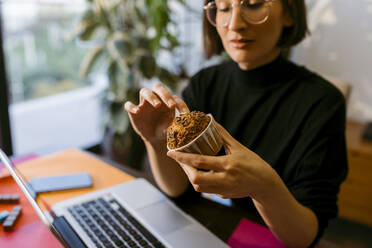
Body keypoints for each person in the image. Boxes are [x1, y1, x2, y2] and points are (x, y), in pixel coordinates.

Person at [124, 0, 348, 247]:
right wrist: (156, 141)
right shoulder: (205, 82)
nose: (234, 24)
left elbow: (303, 237)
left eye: (253, 5)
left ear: (289, 14)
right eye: (223, 8)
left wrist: (264, 188)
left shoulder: (322, 103)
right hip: (209, 228)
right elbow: (176, 189)